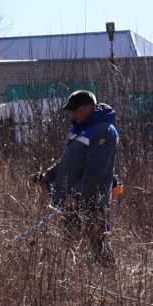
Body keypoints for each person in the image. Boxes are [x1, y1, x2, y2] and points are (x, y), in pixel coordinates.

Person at [35, 89, 119, 265]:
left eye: (76, 110)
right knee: (69, 244)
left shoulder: (104, 132)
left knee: (99, 245)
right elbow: (68, 161)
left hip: (92, 201)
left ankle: (108, 278)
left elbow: (95, 171)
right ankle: (73, 281)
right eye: (71, 110)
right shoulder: (79, 129)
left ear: (89, 107)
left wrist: (77, 195)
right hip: (71, 200)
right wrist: (49, 176)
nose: (73, 114)